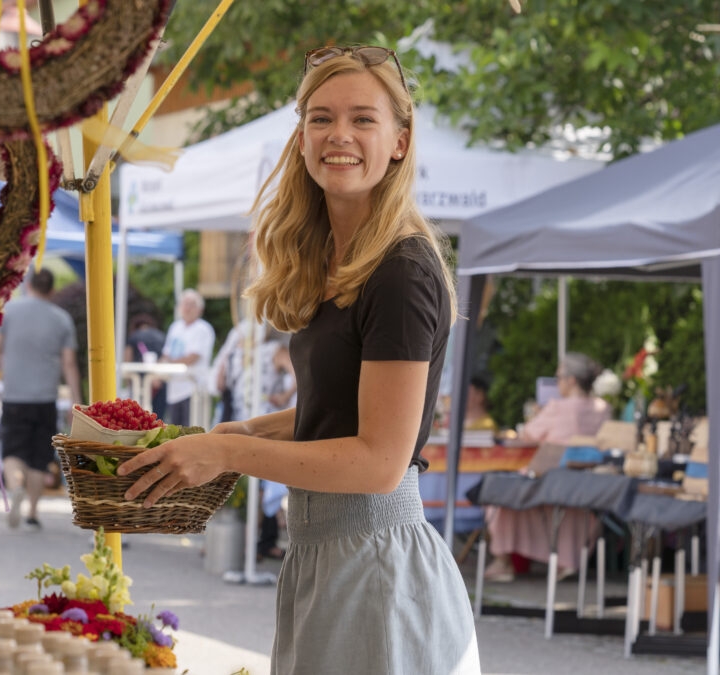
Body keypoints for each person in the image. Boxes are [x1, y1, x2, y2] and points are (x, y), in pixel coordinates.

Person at [116, 47, 480, 673]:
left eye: (363, 119)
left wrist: (226, 454)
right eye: (320, 117)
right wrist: (240, 431)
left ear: (400, 140)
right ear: (302, 135)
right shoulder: (345, 262)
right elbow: (337, 412)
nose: (339, 134)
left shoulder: (401, 270)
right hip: (330, 553)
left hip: (376, 564)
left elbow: (379, 461)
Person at [484, 352, 611, 582]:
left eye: (559, 376)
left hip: (552, 476)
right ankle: (567, 560)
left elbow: (527, 434)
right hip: (588, 482)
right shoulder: (604, 407)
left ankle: (503, 561)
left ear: (572, 380)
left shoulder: (558, 407)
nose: (557, 381)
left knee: (497, 495)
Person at [0, 268, 82, 530]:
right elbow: (69, 363)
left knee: (13, 451)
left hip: (15, 395)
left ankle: (16, 485)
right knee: (40, 455)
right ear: (52, 290)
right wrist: (76, 400)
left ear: (27, 285)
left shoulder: (9, 312)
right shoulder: (61, 319)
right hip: (45, 397)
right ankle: (32, 511)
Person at [161, 289, 214, 426]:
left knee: (191, 432)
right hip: (175, 389)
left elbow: (192, 357)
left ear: (199, 309)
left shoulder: (203, 329)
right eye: (185, 304)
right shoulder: (175, 327)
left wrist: (168, 363)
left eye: (192, 304)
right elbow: (166, 353)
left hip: (193, 389)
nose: (187, 308)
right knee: (175, 431)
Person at [123, 313, 167, 415]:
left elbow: (127, 358)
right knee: (158, 416)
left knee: (140, 416)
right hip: (159, 381)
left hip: (139, 381)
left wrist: (128, 382)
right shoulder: (160, 335)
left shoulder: (134, 337)